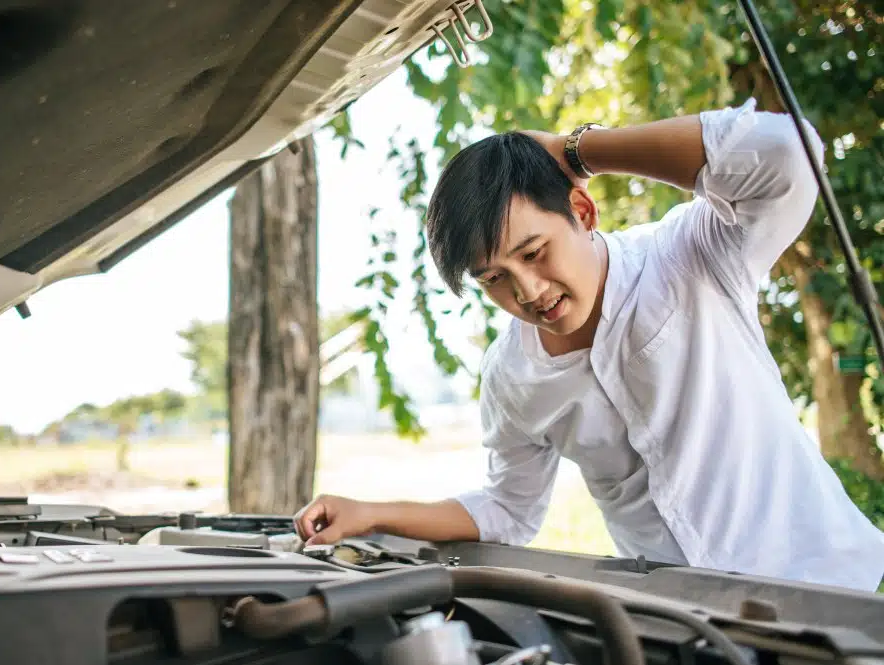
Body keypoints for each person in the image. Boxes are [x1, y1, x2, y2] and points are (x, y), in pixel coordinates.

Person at [294, 99, 884, 592]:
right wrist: (370, 514)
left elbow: (791, 153)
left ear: (581, 209)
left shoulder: (692, 255)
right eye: (493, 278)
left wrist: (576, 151)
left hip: (828, 592)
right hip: (686, 621)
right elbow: (509, 511)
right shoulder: (510, 376)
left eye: (532, 252)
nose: (527, 290)